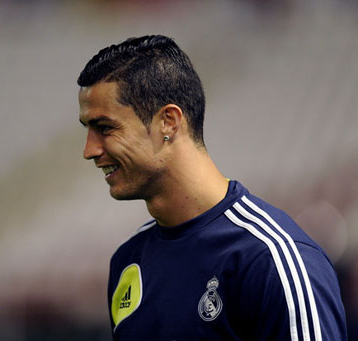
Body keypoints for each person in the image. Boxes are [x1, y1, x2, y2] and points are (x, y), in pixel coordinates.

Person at [77, 35, 347, 340]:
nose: (89, 150)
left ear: (168, 121)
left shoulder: (271, 259)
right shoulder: (128, 261)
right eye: (88, 130)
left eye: (105, 128)